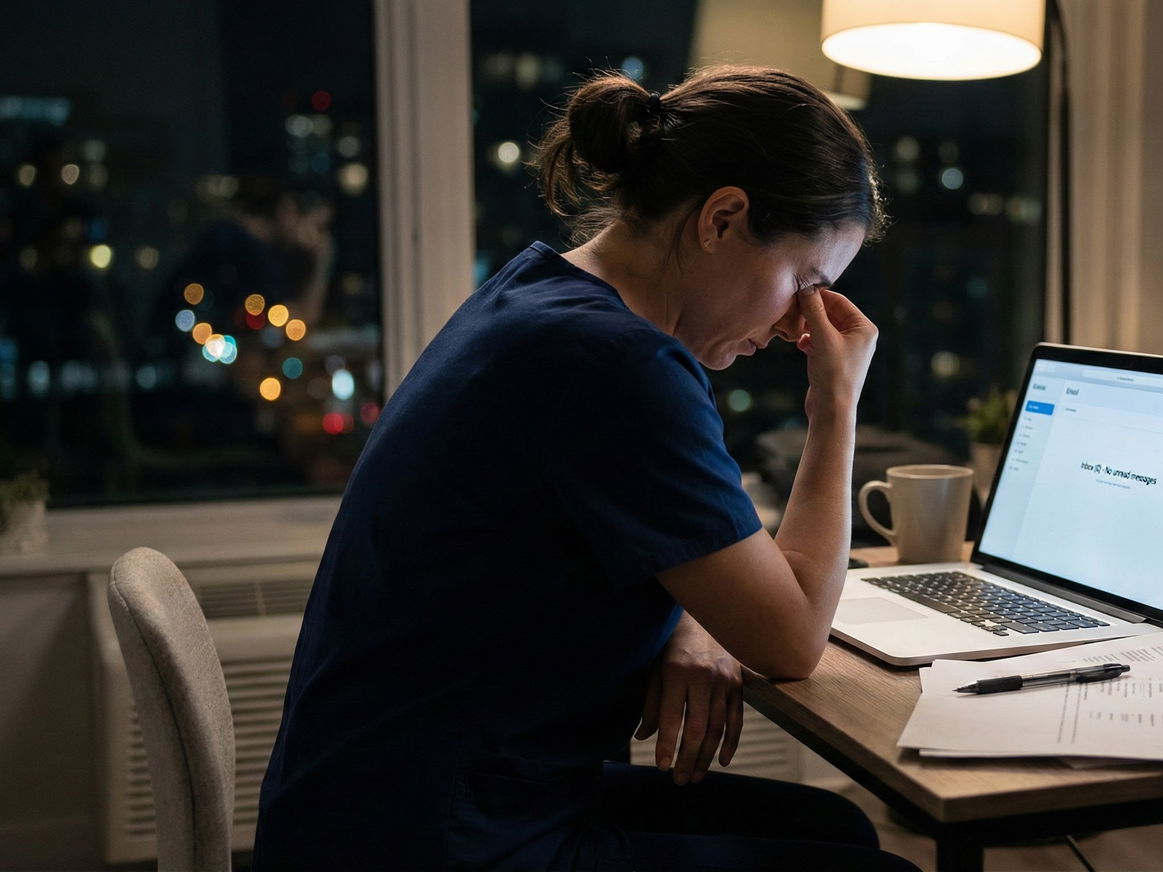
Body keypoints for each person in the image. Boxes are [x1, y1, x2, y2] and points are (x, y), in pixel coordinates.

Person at [254, 66, 918, 871]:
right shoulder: (616, 364)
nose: (796, 326)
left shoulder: (539, 297)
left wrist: (688, 617)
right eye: (805, 283)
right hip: (442, 837)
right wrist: (836, 404)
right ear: (724, 218)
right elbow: (791, 638)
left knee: (838, 832)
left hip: (382, 803)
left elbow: (606, 534)